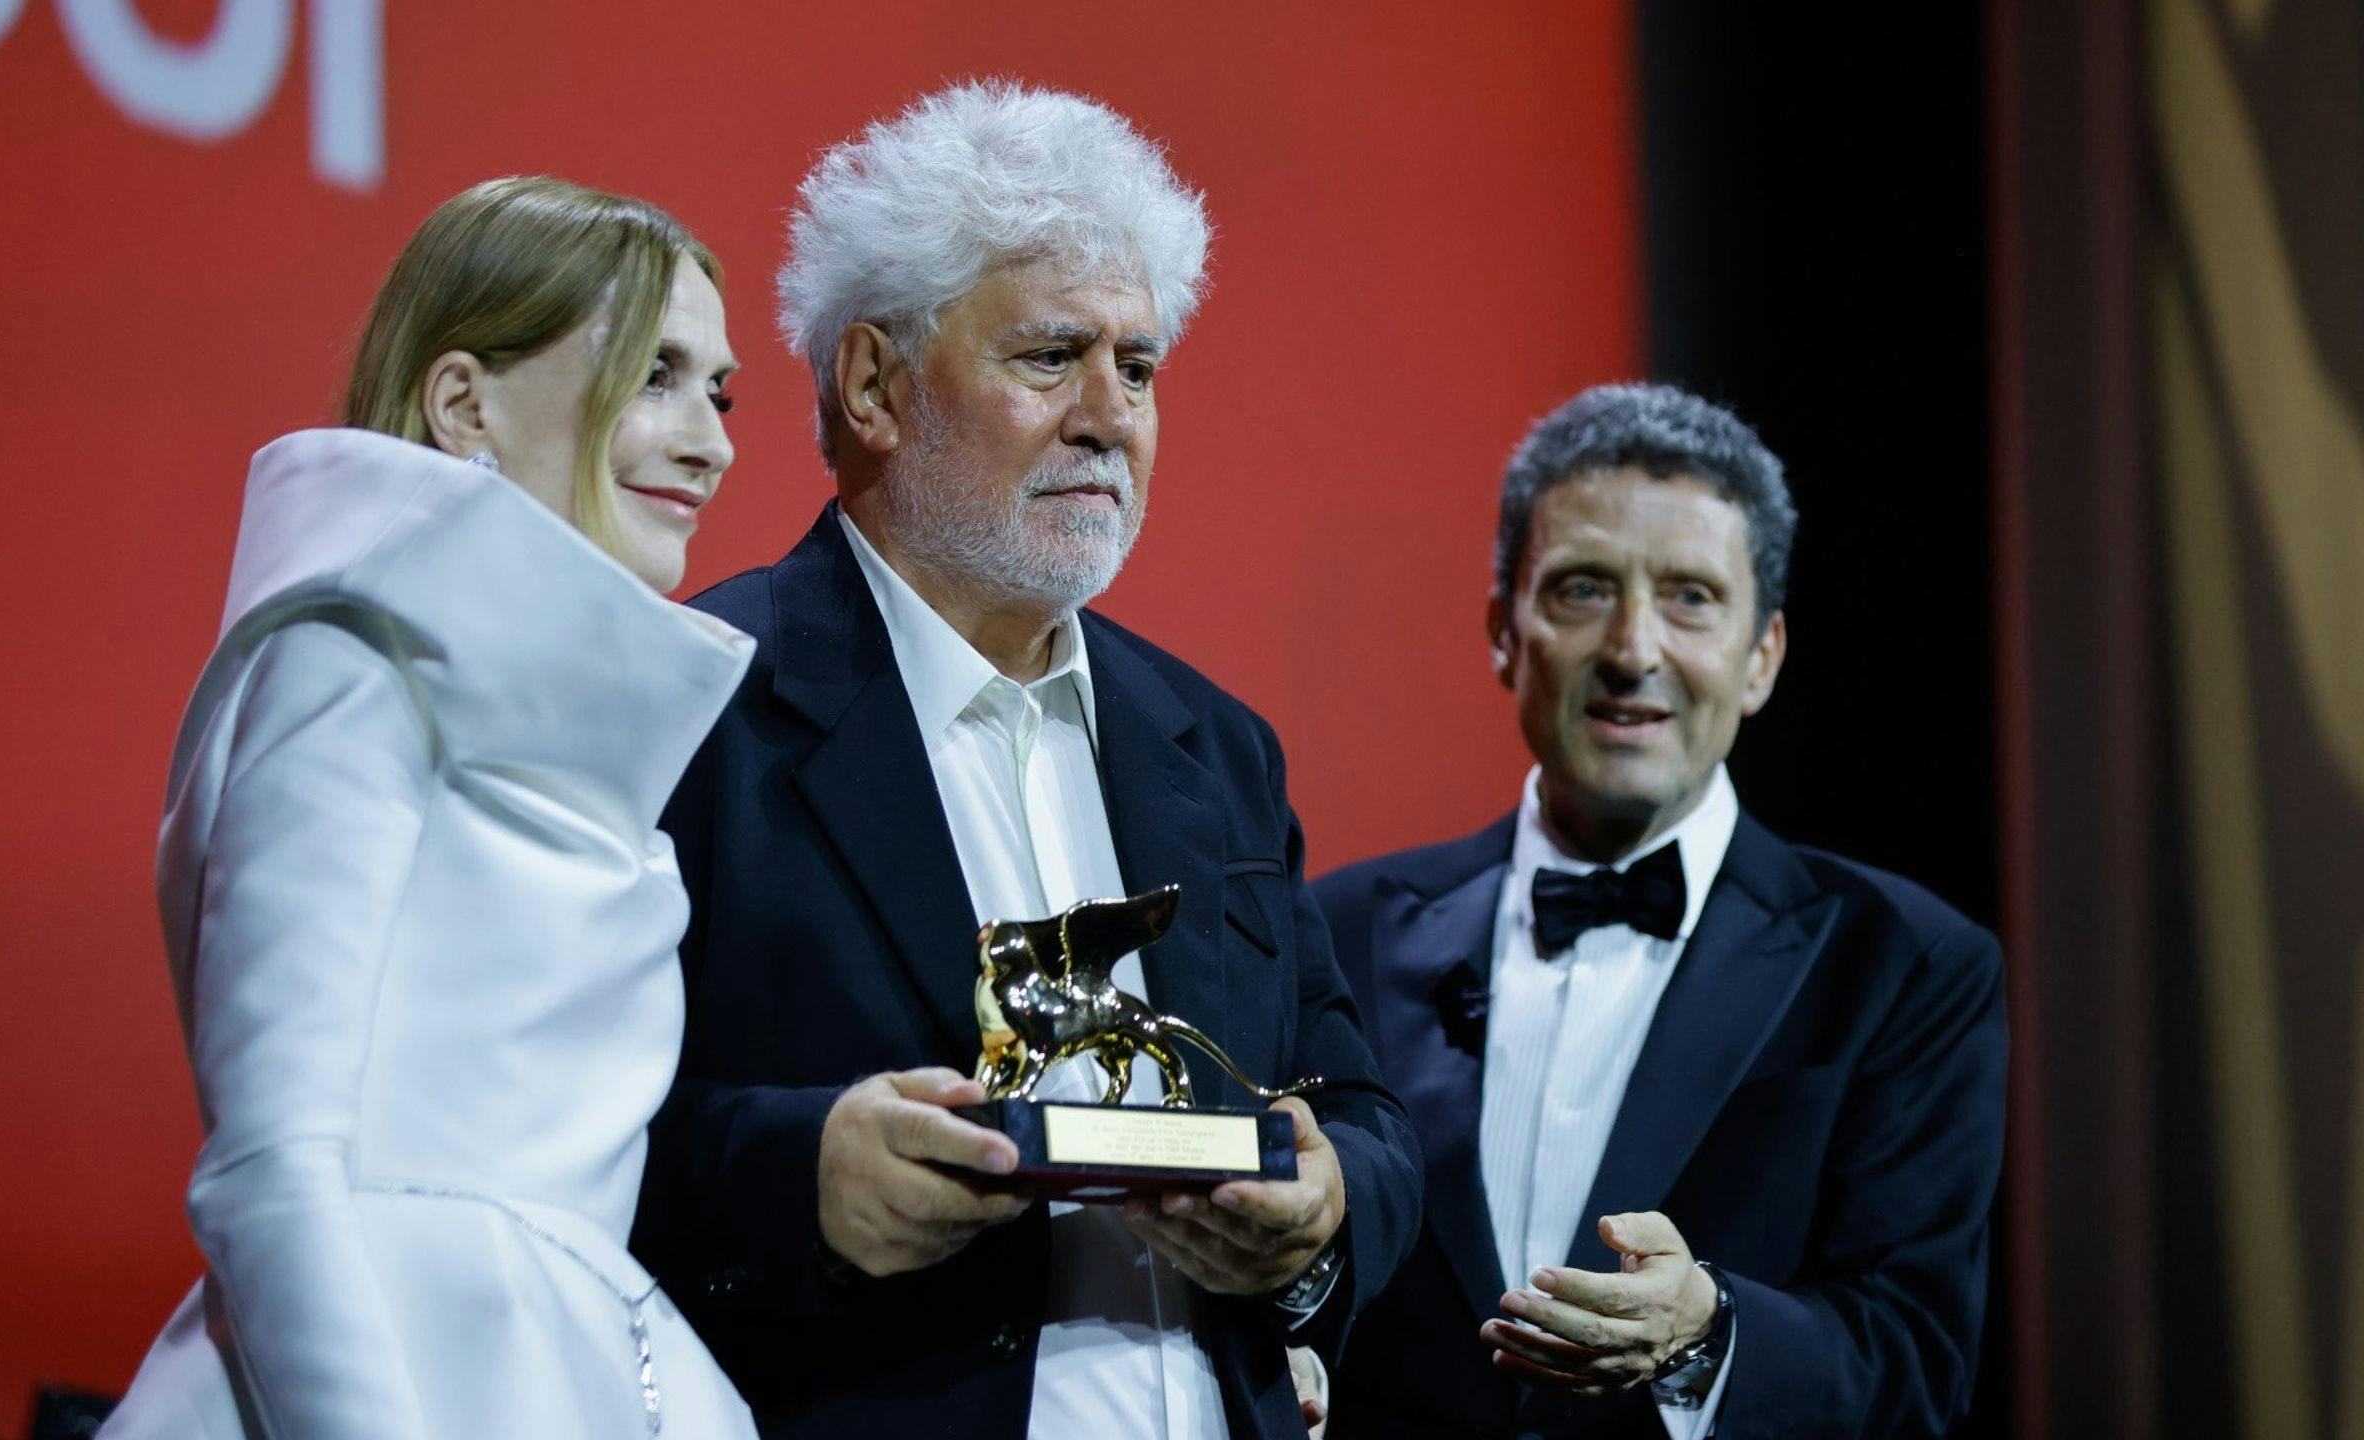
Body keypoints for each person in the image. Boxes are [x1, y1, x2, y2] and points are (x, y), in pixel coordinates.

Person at [628, 83, 1421, 1440]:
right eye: (1053, 359)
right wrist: (797, 1179)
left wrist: (1328, 1205)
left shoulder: (1218, 747)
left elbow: (1362, 1118)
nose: (1110, 415)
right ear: (874, 385)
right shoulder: (687, 704)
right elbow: (538, 1147)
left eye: (1141, 368)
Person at [100, 176, 760, 1440]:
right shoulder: (350, 662)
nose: (712, 441)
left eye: (718, 390)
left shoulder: (595, 748)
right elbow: (268, 1170)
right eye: (654, 374)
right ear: (465, 404)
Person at [1313, 383, 2006, 1438]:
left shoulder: (1906, 965)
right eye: (1584, 589)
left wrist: (1708, 1334)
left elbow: (1915, 1367)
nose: (1634, 650)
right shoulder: (1341, 930)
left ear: (1761, 654)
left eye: (1689, 597)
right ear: (1504, 631)